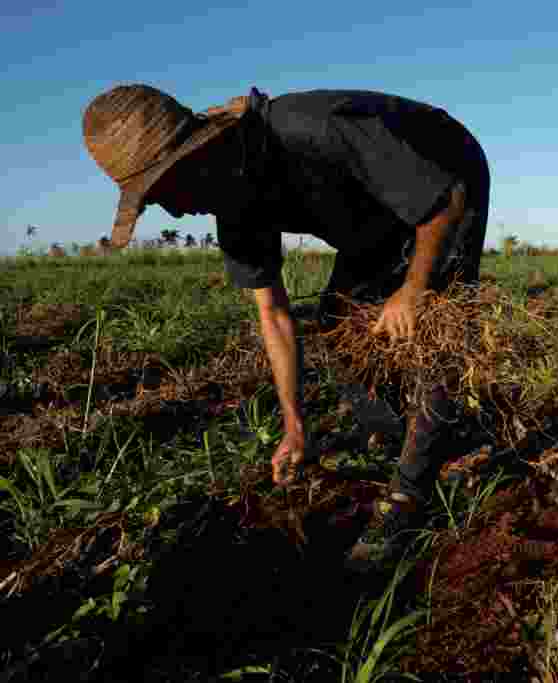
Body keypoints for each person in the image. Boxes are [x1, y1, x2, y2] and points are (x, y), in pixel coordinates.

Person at [82, 84, 490, 567]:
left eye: (162, 191)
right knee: (337, 322)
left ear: (190, 159)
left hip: (444, 176)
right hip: (372, 216)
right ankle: (426, 443)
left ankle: (409, 497)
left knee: (424, 333)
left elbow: (443, 198)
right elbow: (273, 314)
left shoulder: (309, 130)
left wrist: (414, 290)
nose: (169, 209)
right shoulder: (231, 201)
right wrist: (294, 426)